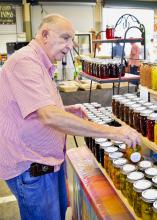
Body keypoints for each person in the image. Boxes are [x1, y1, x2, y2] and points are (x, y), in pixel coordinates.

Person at [0, 14, 140, 220]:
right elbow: (49, 116)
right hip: (33, 170)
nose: (70, 45)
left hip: (46, 165)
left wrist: (67, 110)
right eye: (65, 38)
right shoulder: (25, 62)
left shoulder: (41, 63)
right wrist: (115, 132)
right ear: (45, 34)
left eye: (72, 39)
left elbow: (38, 110)